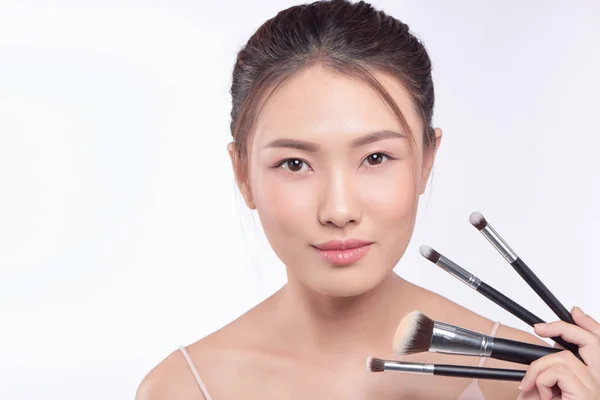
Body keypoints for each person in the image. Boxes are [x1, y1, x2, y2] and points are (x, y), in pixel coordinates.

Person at [136, 1, 600, 398]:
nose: (339, 210)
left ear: (426, 161)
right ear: (243, 174)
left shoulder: (532, 381)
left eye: (376, 157)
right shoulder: (182, 388)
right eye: (295, 164)